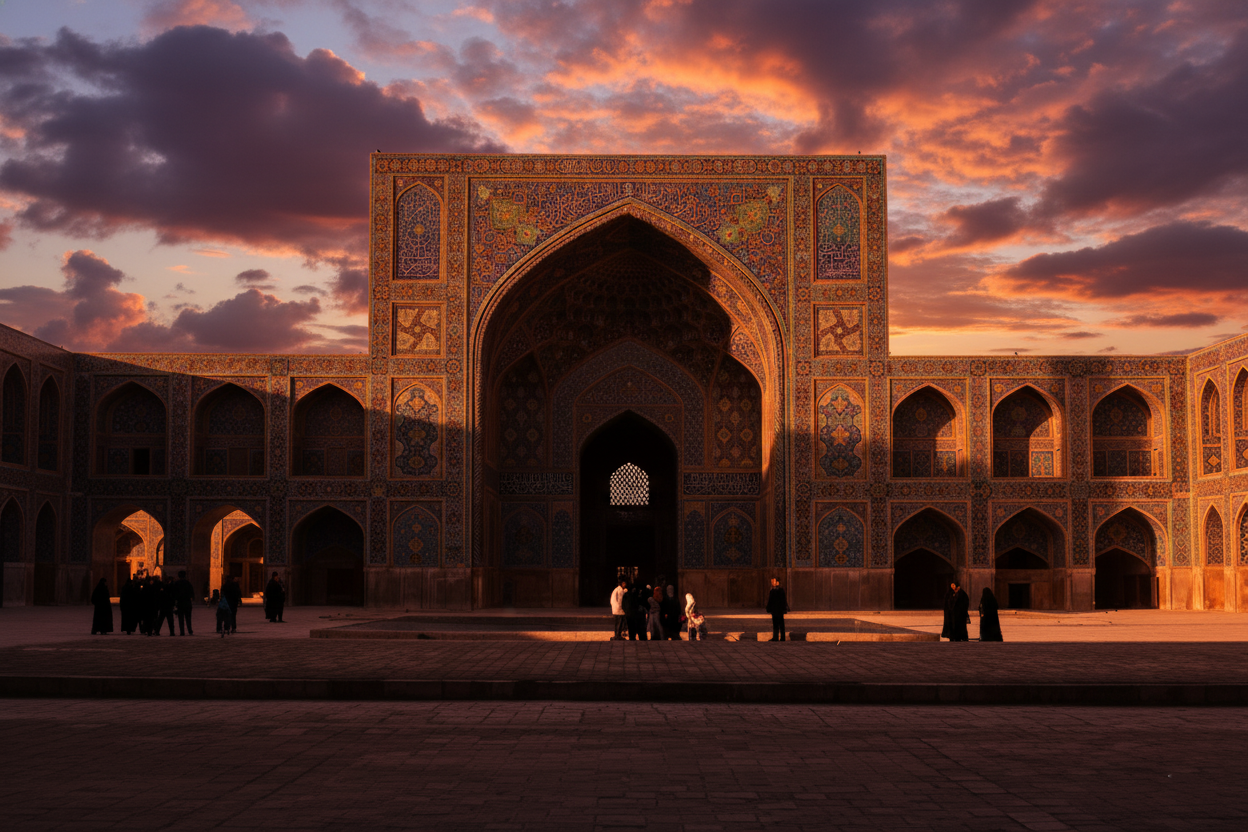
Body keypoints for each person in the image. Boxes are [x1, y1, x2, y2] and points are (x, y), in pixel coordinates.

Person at [172, 570, 195, 635]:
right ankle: (190, 630)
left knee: (181, 619)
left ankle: (182, 632)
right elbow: (192, 593)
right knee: (188, 618)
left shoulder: (176, 584)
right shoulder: (188, 583)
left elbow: (174, 594)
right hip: (187, 603)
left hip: (180, 603)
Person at [766, 577, 788, 641]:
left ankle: (781, 637)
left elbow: (783, 600)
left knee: (780, 624)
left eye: (773, 582)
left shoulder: (779, 591)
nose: (772, 583)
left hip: (778, 610)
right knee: (776, 624)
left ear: (777, 582)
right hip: (775, 610)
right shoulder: (773, 591)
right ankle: (776, 637)